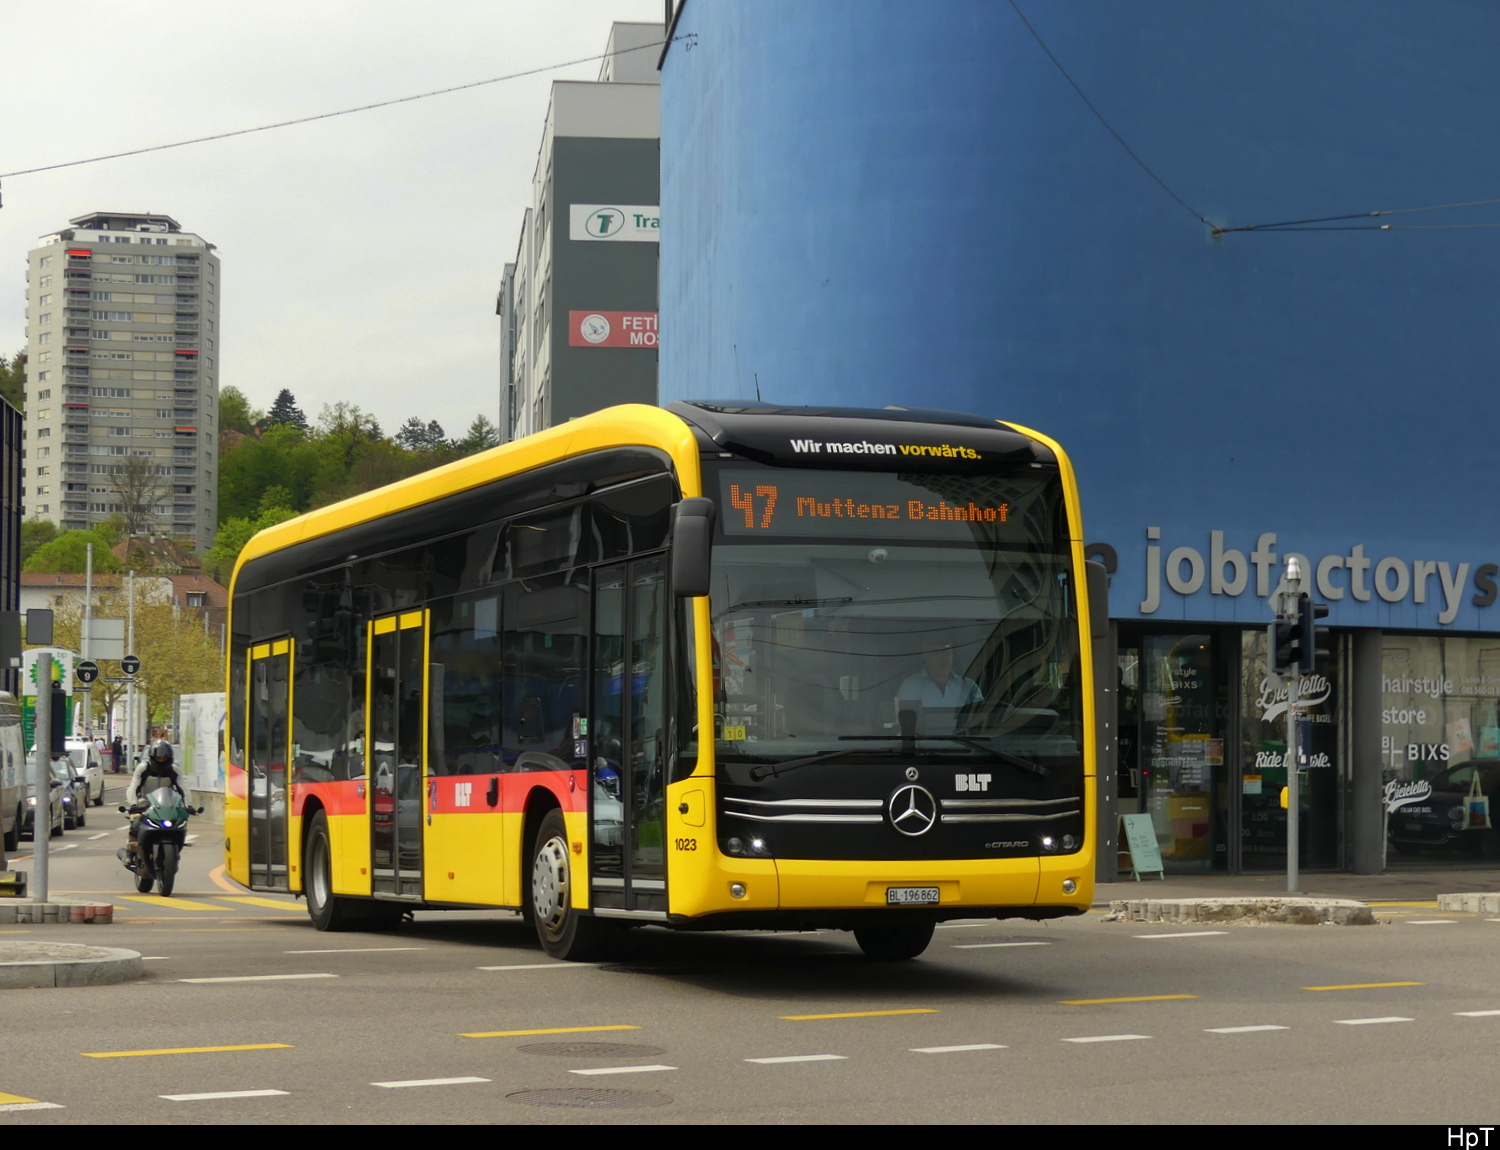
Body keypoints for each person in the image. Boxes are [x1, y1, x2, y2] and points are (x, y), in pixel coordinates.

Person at [120, 741, 191, 877]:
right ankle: (130, 853)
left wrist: (189, 805)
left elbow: (183, 788)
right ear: (152, 757)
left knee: (180, 822)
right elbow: (134, 787)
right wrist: (134, 804)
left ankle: (174, 851)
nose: (161, 761)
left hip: (166, 804)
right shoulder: (143, 769)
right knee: (135, 822)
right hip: (144, 803)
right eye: (159, 758)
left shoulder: (174, 770)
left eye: (164, 758)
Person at [897, 640, 982, 732]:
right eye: (936, 651)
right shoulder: (910, 686)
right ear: (925, 654)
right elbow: (908, 726)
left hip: (965, 740)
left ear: (952, 654)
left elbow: (981, 720)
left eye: (946, 650)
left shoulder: (968, 686)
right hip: (923, 741)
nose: (942, 657)